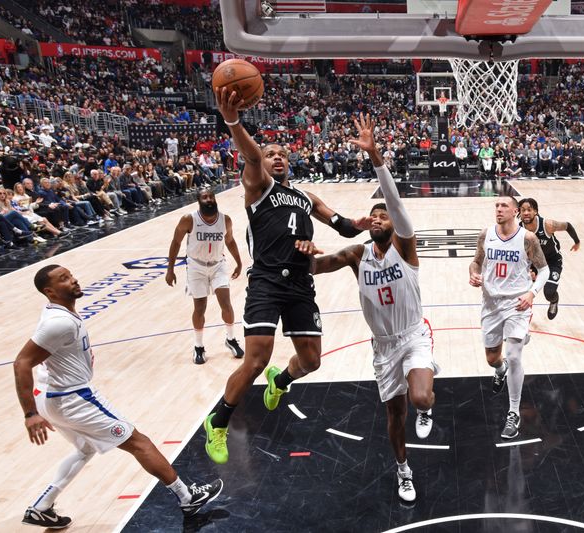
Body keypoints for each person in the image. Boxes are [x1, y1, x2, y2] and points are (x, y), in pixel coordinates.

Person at [202, 88, 371, 465]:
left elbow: (341, 224)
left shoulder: (306, 197)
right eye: (269, 154)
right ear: (260, 163)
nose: (276, 158)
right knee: (256, 359)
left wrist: (357, 225)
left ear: (289, 163)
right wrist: (233, 122)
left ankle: (281, 381)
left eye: (282, 155)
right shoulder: (258, 188)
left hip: (299, 284)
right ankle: (219, 420)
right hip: (266, 282)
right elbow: (248, 153)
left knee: (311, 362)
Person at [13, 265, 222, 529]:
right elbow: (21, 362)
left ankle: (42, 507)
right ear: (50, 291)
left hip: (54, 397)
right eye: (64, 279)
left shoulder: (59, 313)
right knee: (139, 442)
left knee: (85, 448)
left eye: (71, 274)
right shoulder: (59, 322)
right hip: (74, 398)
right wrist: (30, 414)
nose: (73, 279)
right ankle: (187, 496)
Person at [303, 113, 438, 503]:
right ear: (367, 224)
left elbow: (394, 202)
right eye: (373, 216)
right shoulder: (357, 254)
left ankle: (428, 402)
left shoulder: (405, 246)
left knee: (420, 400)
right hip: (382, 345)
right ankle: (403, 469)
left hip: (413, 335)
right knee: (395, 416)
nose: (379, 219)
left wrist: (375, 154)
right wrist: (303, 256)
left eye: (384, 216)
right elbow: (320, 265)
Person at [468, 196, 549, 439]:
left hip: (517, 304)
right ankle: (499, 369)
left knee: (514, 355)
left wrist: (532, 293)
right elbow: (475, 262)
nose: (499, 209)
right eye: (497, 206)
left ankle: (513, 412)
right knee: (493, 358)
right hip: (491, 304)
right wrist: (473, 274)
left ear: (515, 211)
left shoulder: (528, 239)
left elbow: (543, 269)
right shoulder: (486, 234)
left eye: (504, 206)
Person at [165, 187, 245, 364]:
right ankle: (198, 346)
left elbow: (230, 241)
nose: (209, 199)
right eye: (205, 197)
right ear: (198, 200)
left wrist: (239, 262)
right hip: (196, 267)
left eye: (211, 196)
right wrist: (170, 269)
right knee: (200, 308)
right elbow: (176, 242)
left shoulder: (225, 219)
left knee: (226, 304)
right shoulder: (189, 219)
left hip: (218, 265)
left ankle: (230, 339)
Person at [517, 198, 580, 320]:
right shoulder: (518, 229)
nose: (525, 213)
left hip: (552, 261)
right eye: (523, 210)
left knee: (549, 293)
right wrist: (530, 269)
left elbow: (568, 226)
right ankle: (524, 316)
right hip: (533, 262)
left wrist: (577, 242)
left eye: (529, 210)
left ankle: (554, 301)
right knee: (521, 291)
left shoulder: (547, 225)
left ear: (535, 211)